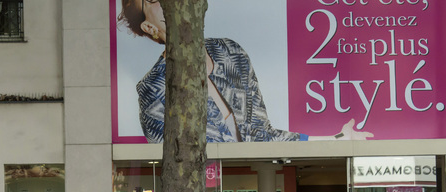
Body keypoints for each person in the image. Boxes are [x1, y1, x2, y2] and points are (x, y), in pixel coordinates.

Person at [117, 0, 374, 143]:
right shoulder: (152, 88)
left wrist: (337, 139)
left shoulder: (230, 51)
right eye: (152, 0)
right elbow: (169, 163)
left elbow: (262, 135)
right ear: (149, 28)